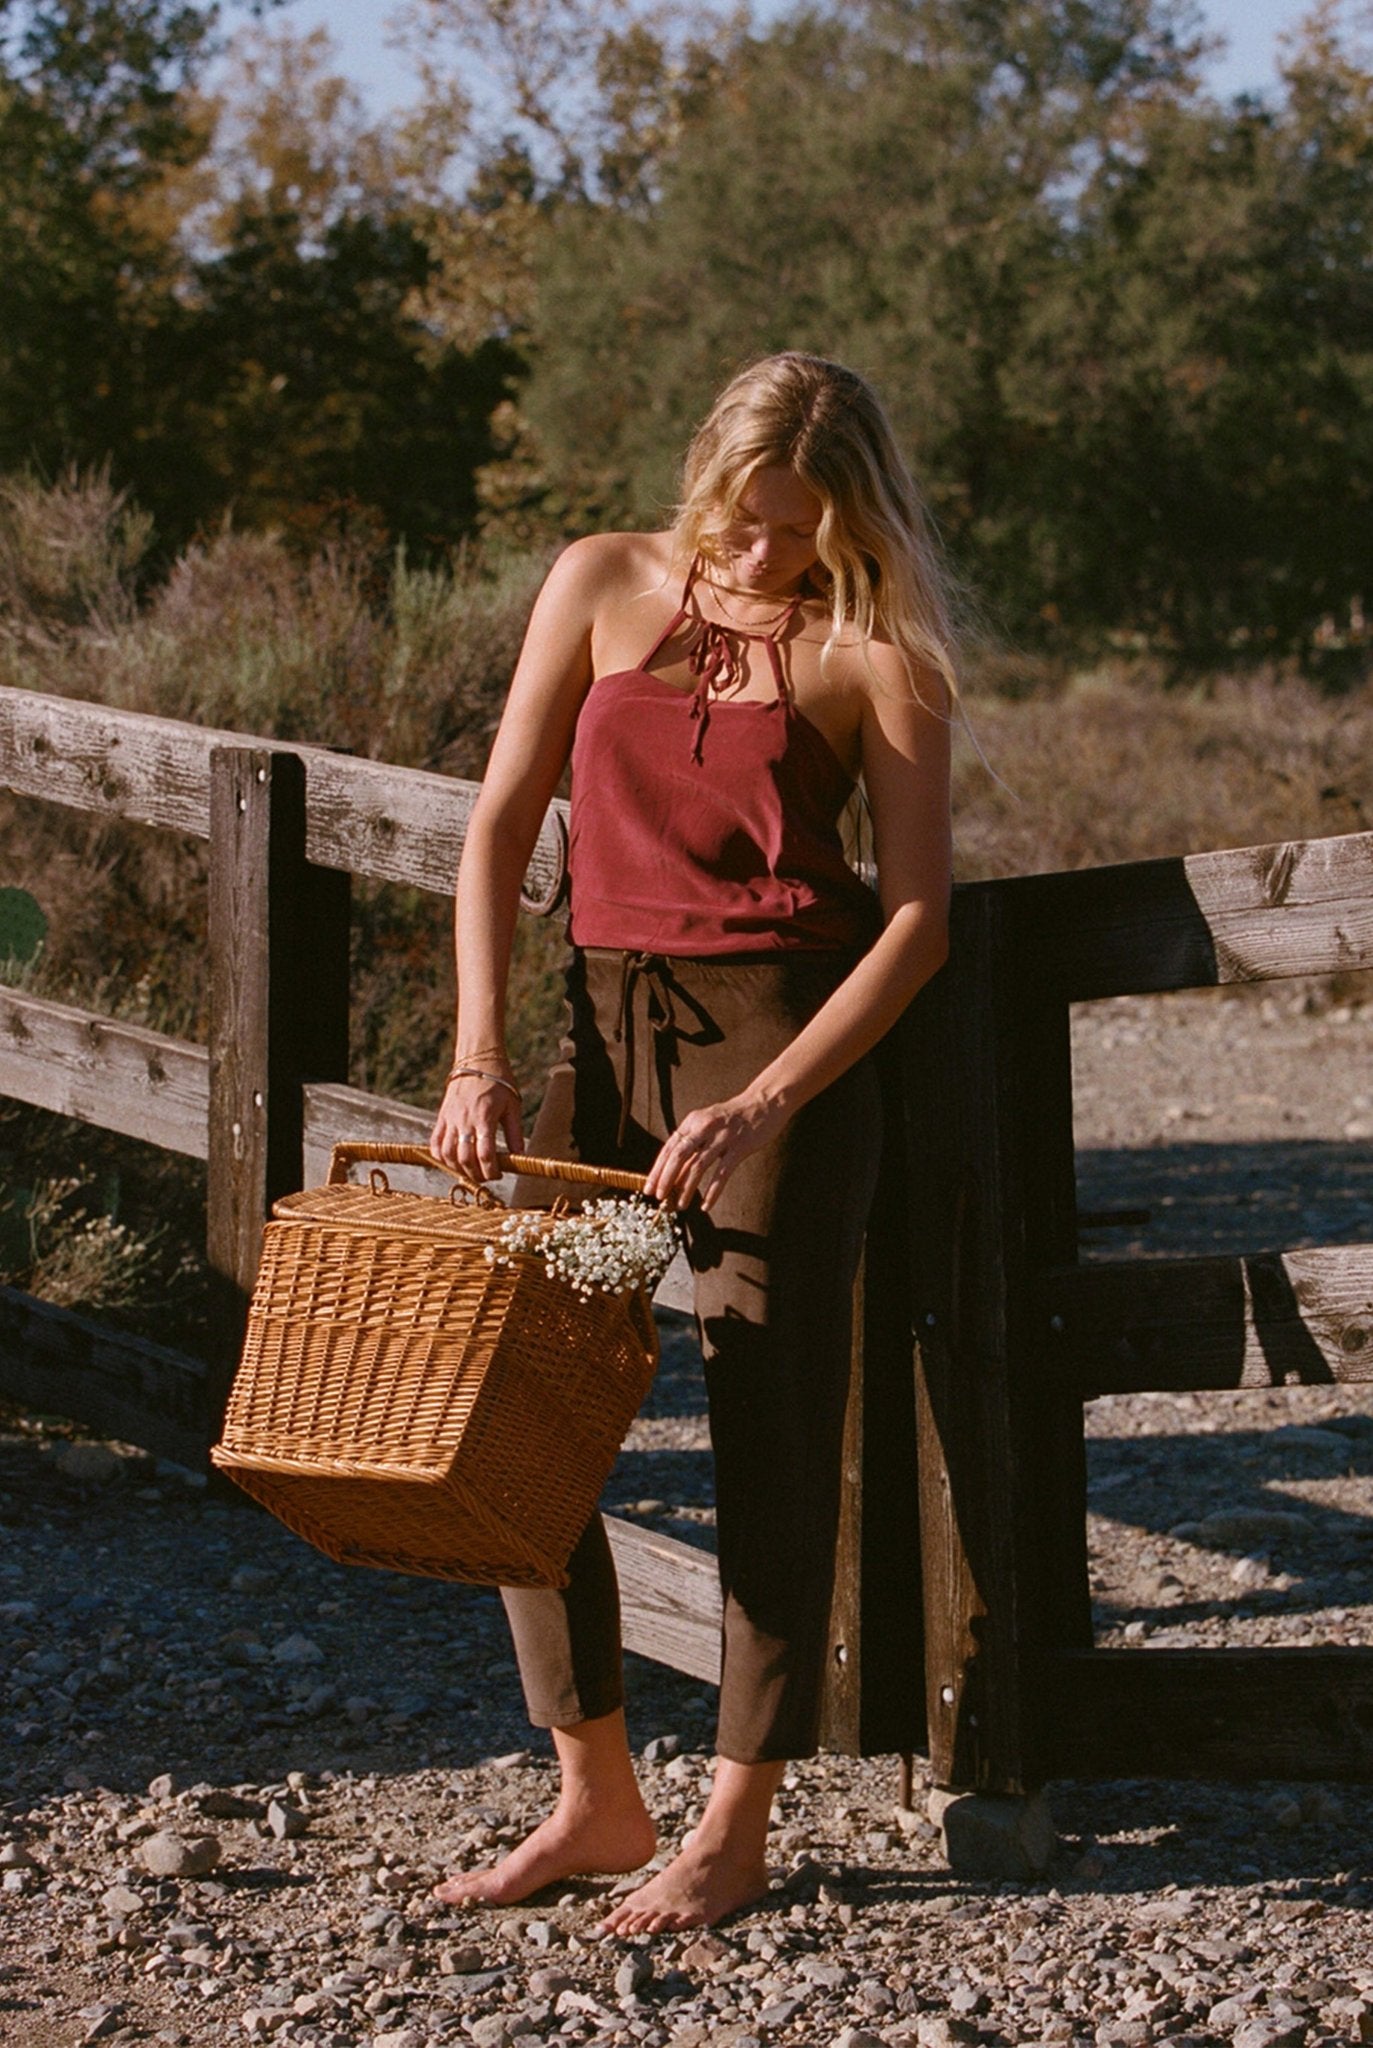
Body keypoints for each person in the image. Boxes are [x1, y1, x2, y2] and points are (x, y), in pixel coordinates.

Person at [428, 351, 956, 1935]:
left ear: (848, 516)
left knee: (767, 1430)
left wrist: (767, 1099)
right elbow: (500, 824)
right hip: (607, 1064)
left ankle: (735, 1820)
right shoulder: (598, 583)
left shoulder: (877, 654)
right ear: (702, 480)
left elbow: (918, 919)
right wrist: (478, 1054)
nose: (757, 558)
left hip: (772, 1076)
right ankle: (595, 1792)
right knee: (523, 1392)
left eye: (796, 533)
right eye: (741, 522)